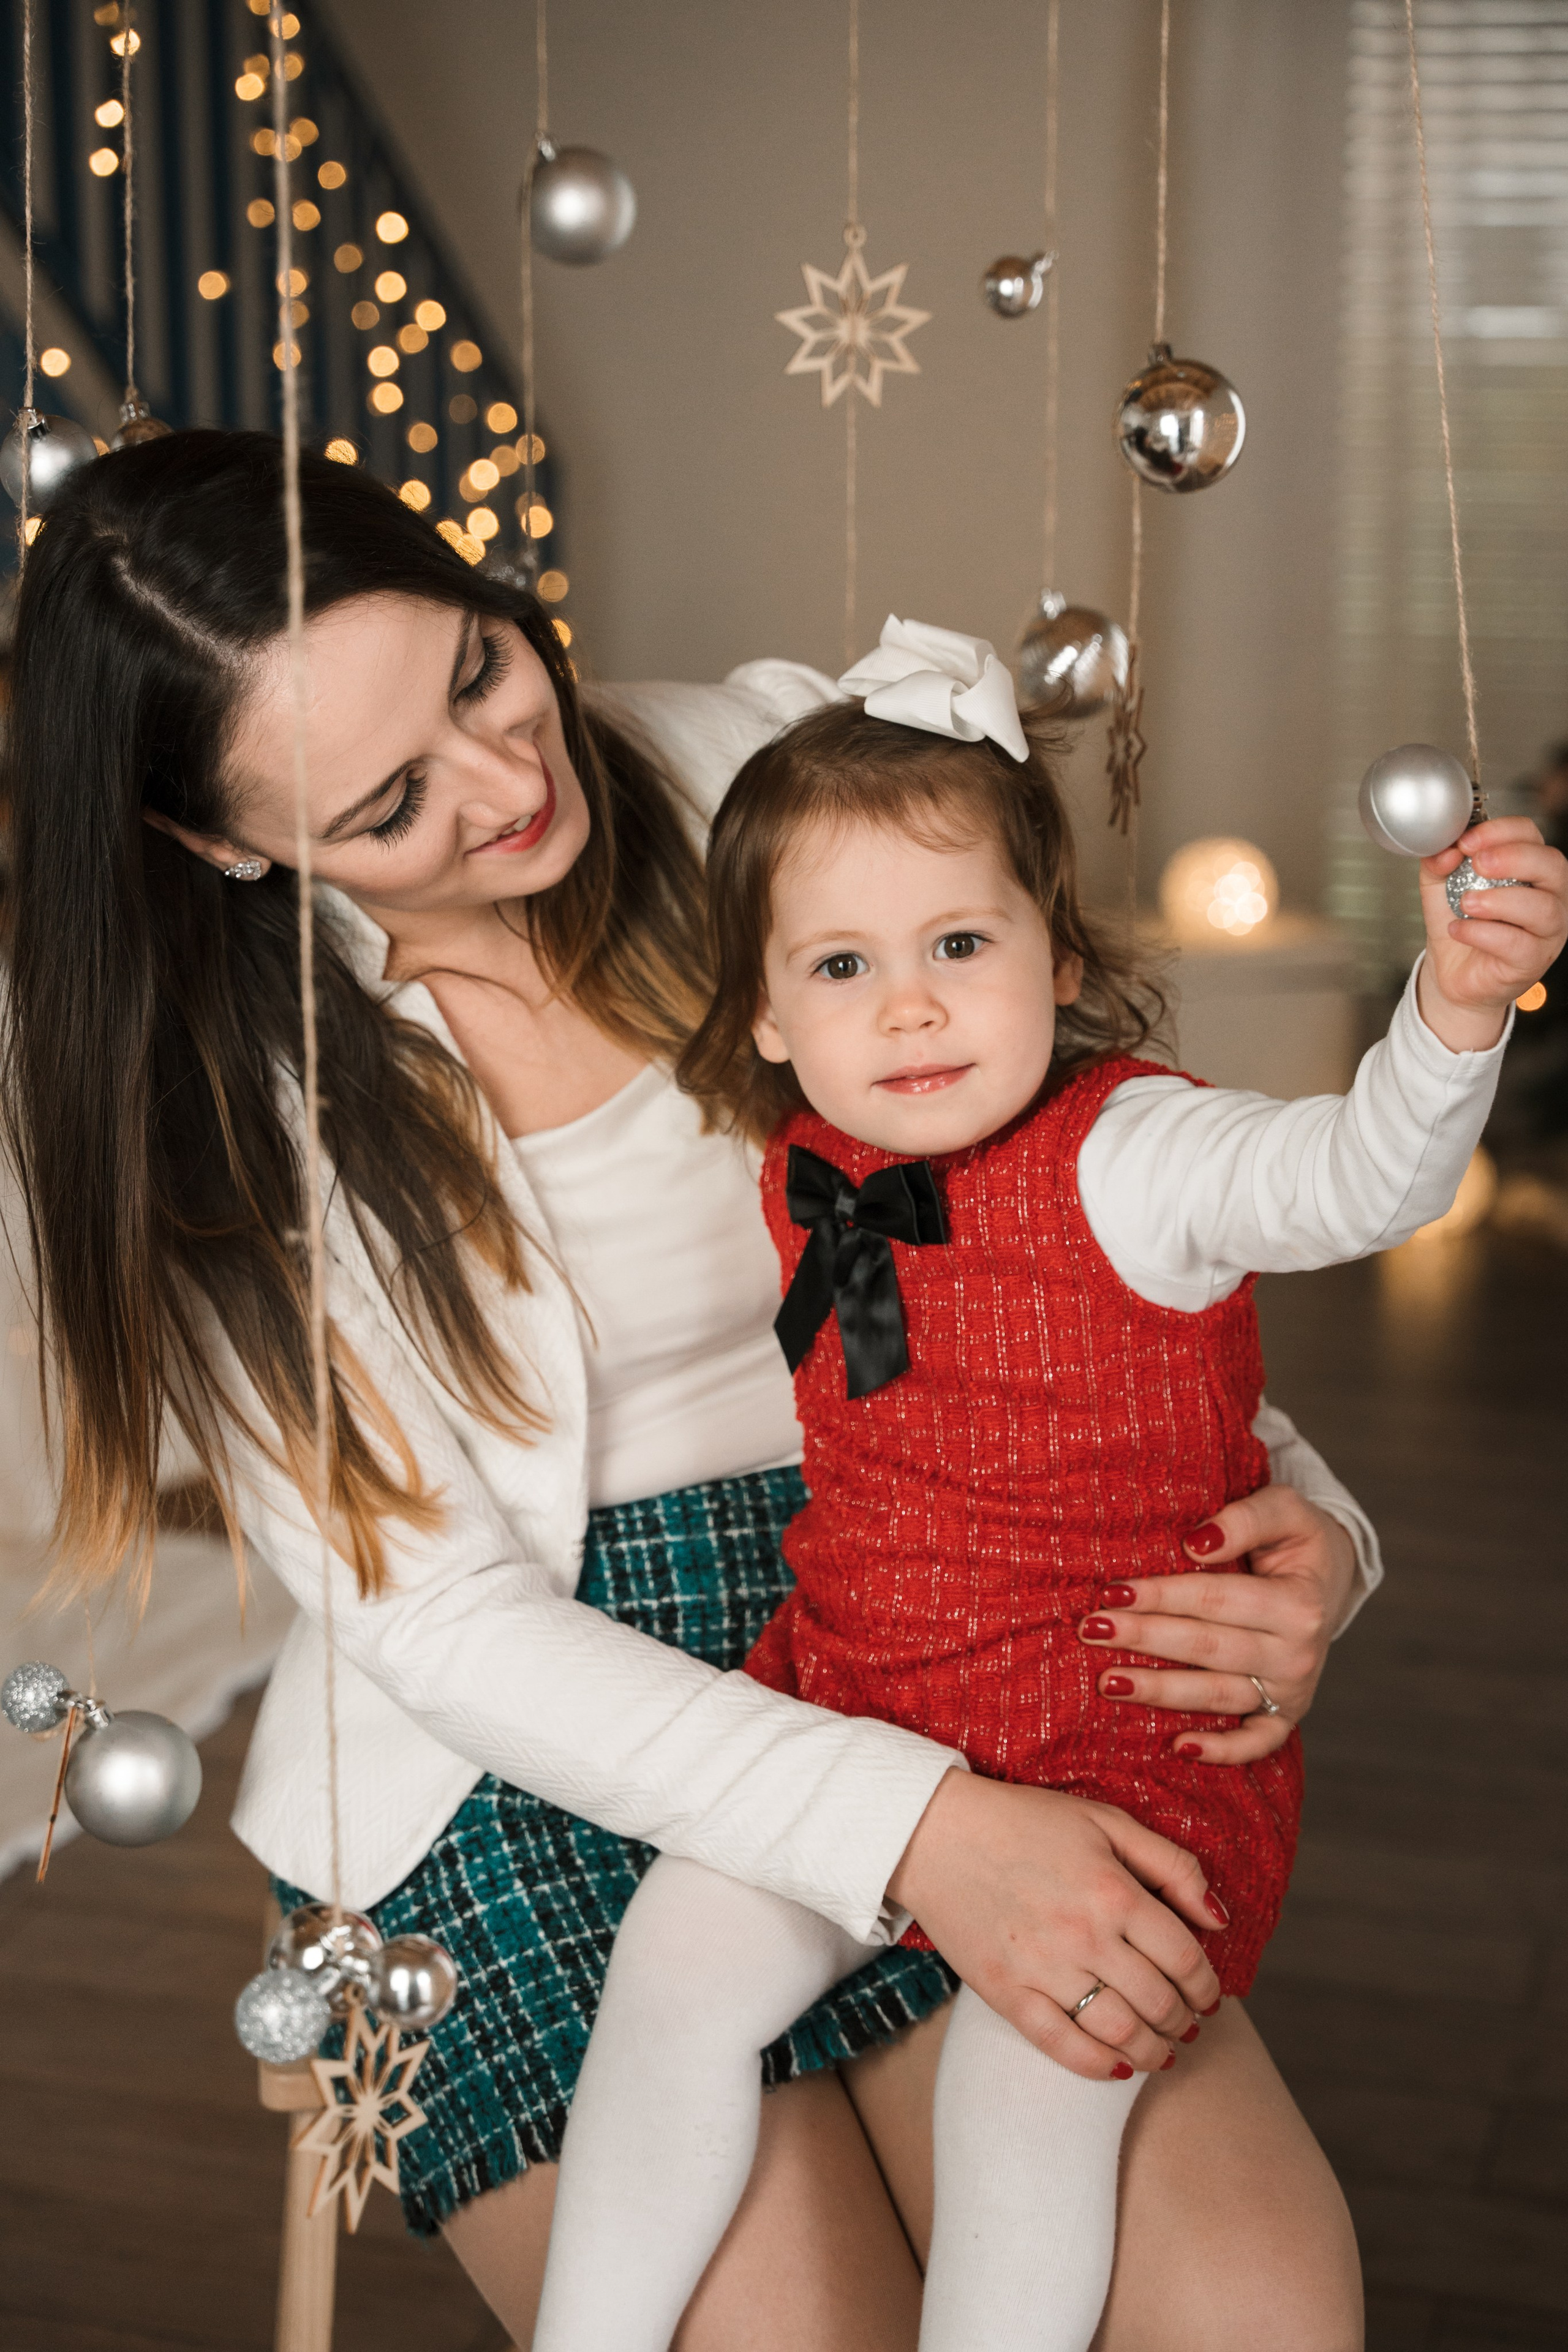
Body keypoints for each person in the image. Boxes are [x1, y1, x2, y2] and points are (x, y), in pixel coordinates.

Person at [4, 439, 1376, 2350]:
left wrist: (1315, 1532)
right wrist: (925, 1834)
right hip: (511, 1742)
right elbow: (451, 1631)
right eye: (392, 802)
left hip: (937, 1604)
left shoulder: (756, 774)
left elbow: (1080, 1209)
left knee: (1253, 2314)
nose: (508, 782)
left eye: (481, 671)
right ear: (223, 842)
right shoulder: (213, 1104)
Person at [535, 620, 1567, 2352]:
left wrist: (1454, 1010)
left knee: (1029, 2101)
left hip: (1120, 1752)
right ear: (768, 1013)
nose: (913, 1003)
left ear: (1057, 952)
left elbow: (1353, 1181)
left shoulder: (1141, 1155)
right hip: (859, 1701)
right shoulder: (815, 1166)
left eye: (960, 941)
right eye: (844, 965)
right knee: (672, 1975)